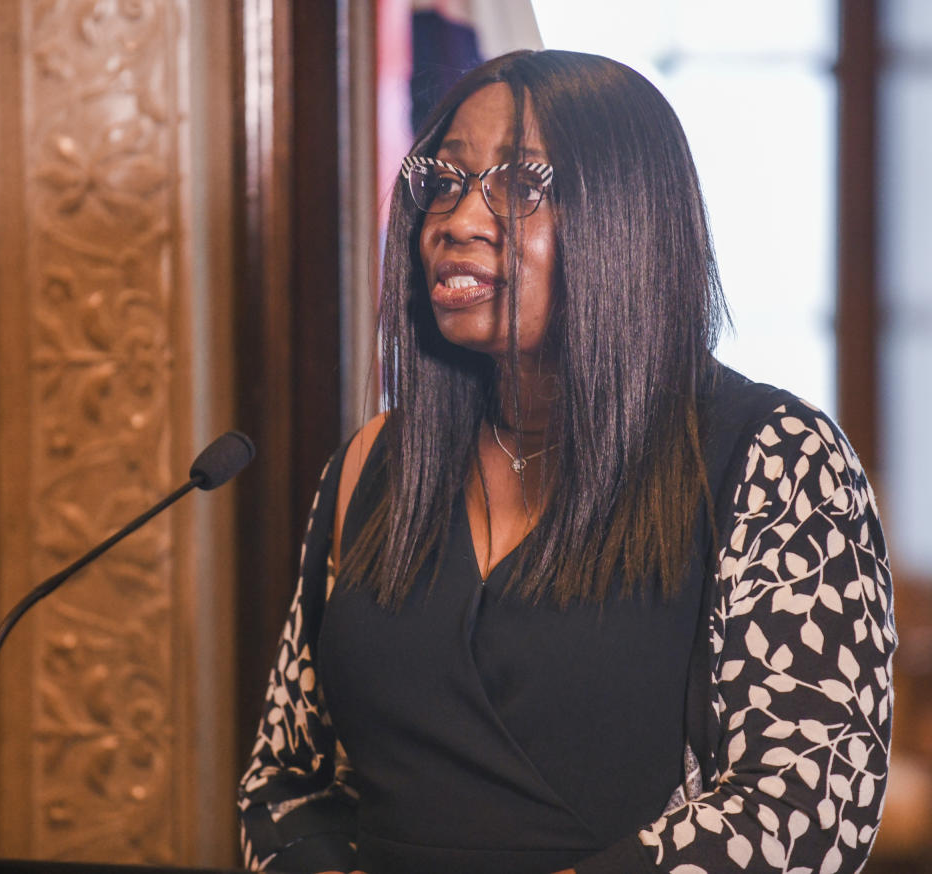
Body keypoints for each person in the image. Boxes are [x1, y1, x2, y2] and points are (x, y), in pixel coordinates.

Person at [237, 50, 895, 874]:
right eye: (444, 180)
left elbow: (806, 809)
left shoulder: (778, 460)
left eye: (519, 184)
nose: (457, 220)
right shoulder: (374, 462)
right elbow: (283, 782)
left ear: (629, 216)